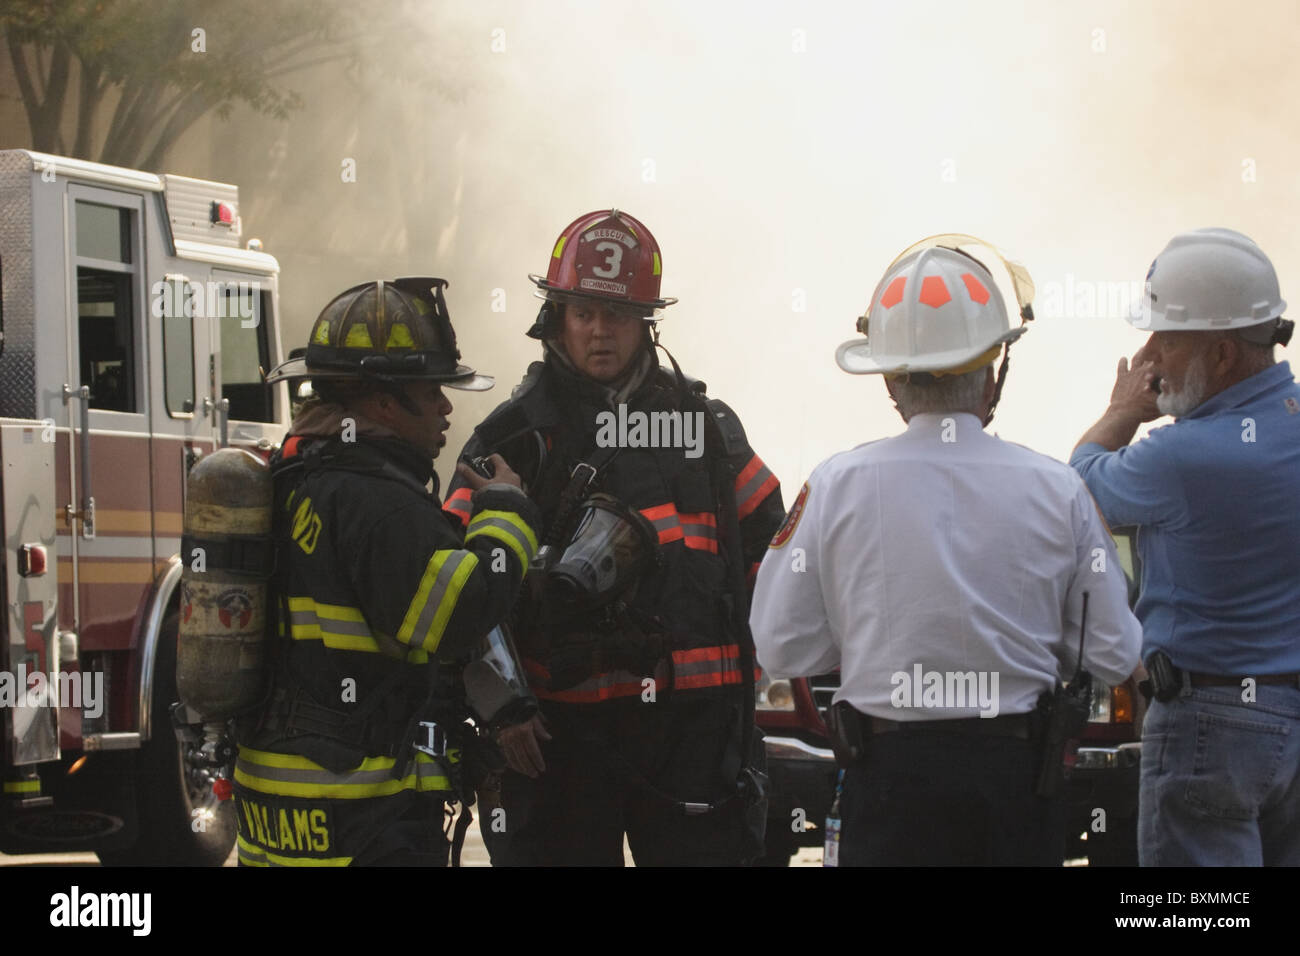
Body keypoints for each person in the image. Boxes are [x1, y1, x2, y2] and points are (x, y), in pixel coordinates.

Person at [751, 236, 1141, 866]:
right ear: (994, 372)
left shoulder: (834, 485)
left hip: (888, 786)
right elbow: (1113, 651)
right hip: (1017, 785)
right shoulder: (1058, 489)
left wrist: (865, 640)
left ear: (890, 380)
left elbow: (780, 645)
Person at [445, 209, 784, 865]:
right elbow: (460, 586)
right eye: (583, 313)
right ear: (557, 319)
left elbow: (775, 557)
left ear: (646, 324)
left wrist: (752, 693)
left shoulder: (705, 429)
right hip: (560, 742)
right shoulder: (515, 436)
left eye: (618, 316)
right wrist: (503, 707)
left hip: (696, 739)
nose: (600, 331)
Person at [234, 277, 541, 866]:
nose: (448, 407)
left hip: (272, 811)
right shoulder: (379, 505)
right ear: (381, 401)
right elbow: (460, 615)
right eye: (432, 392)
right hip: (359, 809)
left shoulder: (285, 477)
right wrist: (507, 512)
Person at [1071, 227, 1300, 867]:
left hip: (1211, 728)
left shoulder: (1181, 456)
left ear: (1223, 354)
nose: (1148, 359)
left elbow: (1076, 493)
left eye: (1165, 338)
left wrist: (1121, 412)